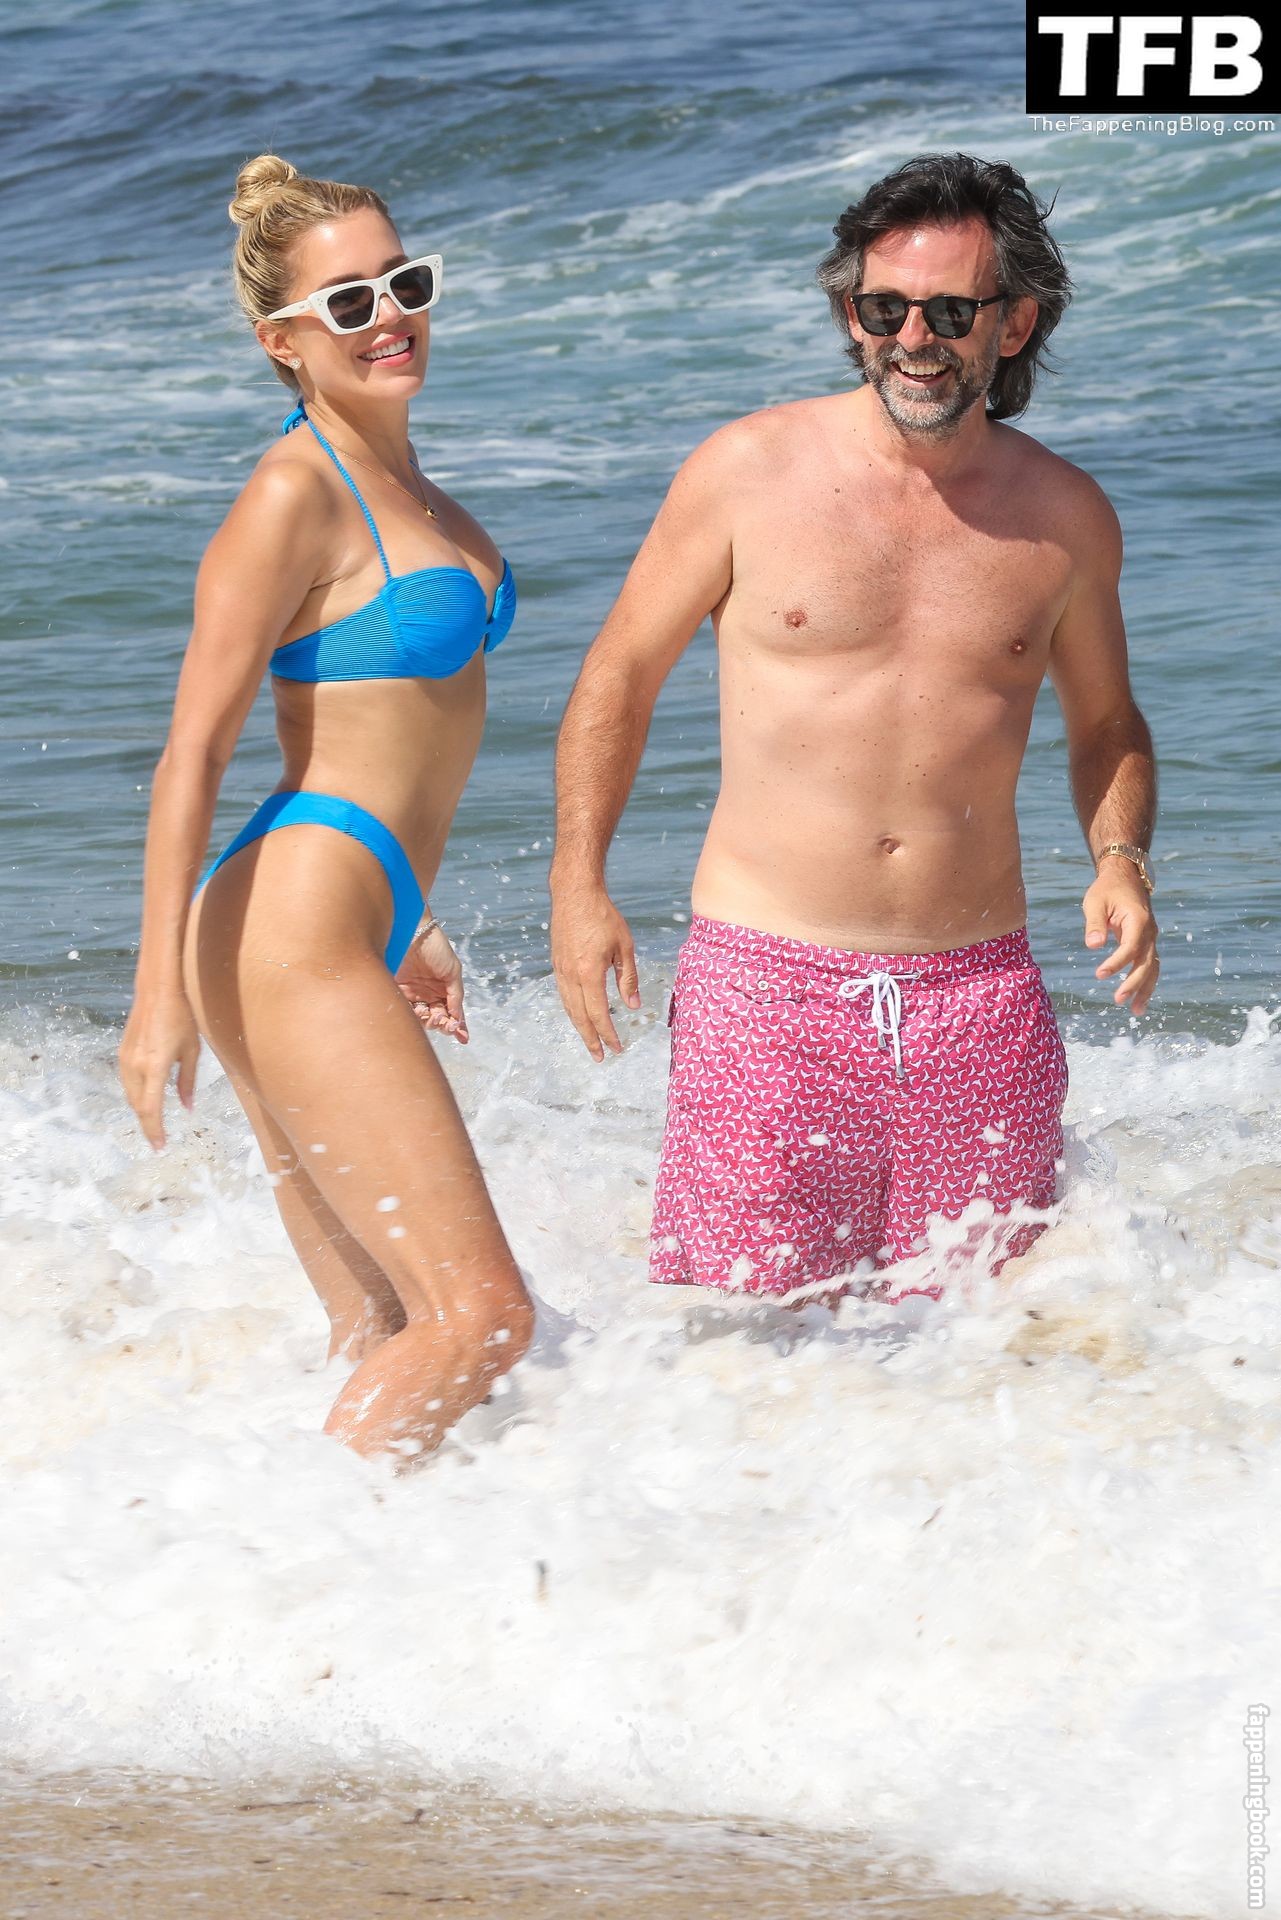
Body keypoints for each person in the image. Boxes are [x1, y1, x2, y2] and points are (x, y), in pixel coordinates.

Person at [550, 152, 1158, 1302]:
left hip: (979, 1000)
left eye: (949, 312)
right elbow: (618, 675)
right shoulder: (746, 472)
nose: (913, 339)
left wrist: (1120, 857)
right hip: (765, 991)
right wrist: (576, 883)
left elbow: (1107, 723)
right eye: (885, 310)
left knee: (990, 1342)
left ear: (1015, 323)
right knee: (739, 1340)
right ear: (851, 315)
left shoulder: (1065, 517)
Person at [119, 155, 533, 1454]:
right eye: (348, 302)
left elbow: (392, 736)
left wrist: (407, 918)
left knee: (385, 1321)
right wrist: (157, 995)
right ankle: (283, 1549)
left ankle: (333, 1567)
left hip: (346, 909)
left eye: (404, 283)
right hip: (291, 921)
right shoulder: (293, 493)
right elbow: (193, 754)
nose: (389, 316)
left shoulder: (415, 488)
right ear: (283, 342)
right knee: (482, 1321)